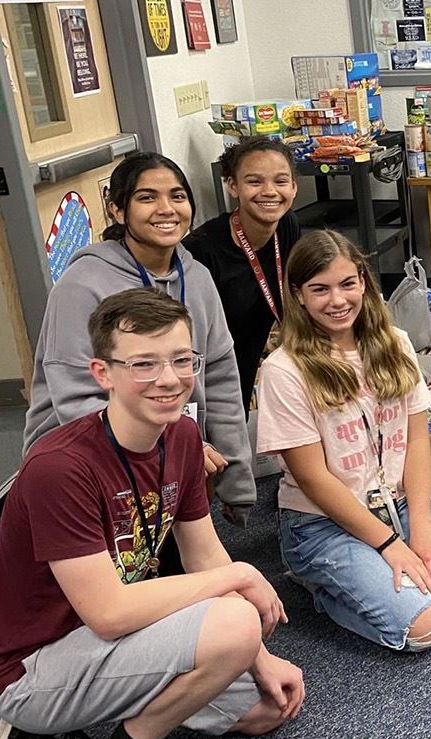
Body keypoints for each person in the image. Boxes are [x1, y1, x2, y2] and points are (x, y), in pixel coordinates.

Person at [0, 289, 303, 739]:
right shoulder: (59, 467)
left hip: (118, 633)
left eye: (180, 359)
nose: (169, 380)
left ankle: (122, 697)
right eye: (143, 365)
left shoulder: (184, 435)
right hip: (31, 664)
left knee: (263, 711)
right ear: (103, 374)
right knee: (234, 622)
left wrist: (260, 656)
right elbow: (109, 613)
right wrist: (240, 580)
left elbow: (204, 555)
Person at [256, 231, 431, 651]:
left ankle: (383, 569)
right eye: (319, 289)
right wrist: (389, 546)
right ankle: (321, 588)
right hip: (321, 523)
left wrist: (419, 527)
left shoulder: (395, 344)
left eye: (347, 283)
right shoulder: (285, 370)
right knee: (424, 627)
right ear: (298, 295)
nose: (337, 300)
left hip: (397, 502)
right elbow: (312, 479)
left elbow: (418, 443)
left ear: (363, 281)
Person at [22, 152, 255, 526]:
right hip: (82, 462)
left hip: (171, 457)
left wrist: (237, 481)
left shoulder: (197, 278)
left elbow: (221, 377)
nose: (167, 209)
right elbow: (77, 399)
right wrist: (173, 451)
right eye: (147, 198)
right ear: (116, 209)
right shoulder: (83, 285)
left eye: (178, 197)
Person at [184, 137, 301, 410]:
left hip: (247, 363)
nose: (269, 191)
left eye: (281, 181)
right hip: (208, 377)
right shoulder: (201, 251)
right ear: (233, 186)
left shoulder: (286, 226)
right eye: (254, 181)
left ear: (294, 187)